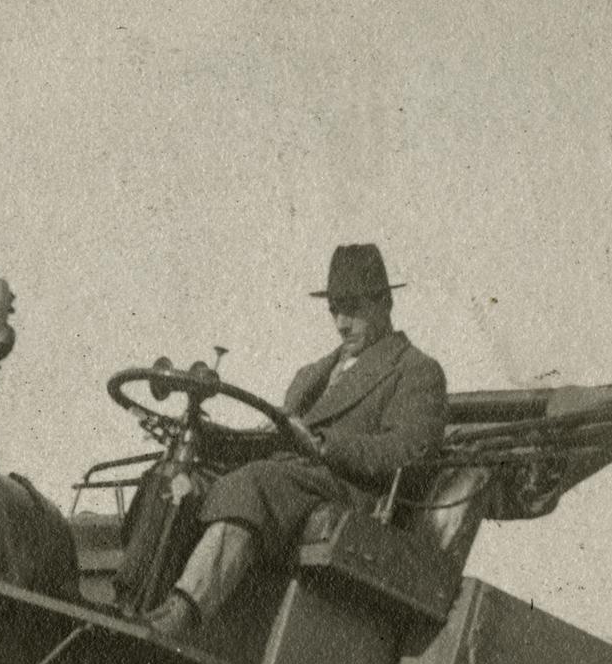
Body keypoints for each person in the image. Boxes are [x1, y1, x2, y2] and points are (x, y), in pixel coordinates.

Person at [147, 244, 446, 637]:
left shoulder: (416, 371)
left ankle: (183, 613)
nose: (341, 323)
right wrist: (211, 439)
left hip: (348, 492)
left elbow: (409, 451)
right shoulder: (311, 375)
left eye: (353, 308)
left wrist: (324, 444)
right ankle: (135, 598)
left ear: (385, 303)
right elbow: (276, 440)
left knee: (257, 482)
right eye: (334, 309)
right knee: (176, 475)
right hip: (294, 481)